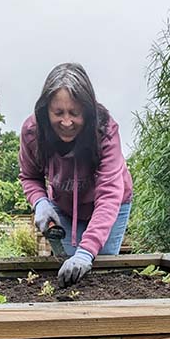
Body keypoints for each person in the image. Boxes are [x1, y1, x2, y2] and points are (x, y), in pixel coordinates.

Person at [19, 63, 133, 286]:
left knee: (101, 273)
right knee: (69, 275)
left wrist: (86, 252)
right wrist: (40, 202)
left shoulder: (105, 131)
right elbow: (30, 176)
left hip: (111, 205)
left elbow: (109, 195)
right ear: (45, 110)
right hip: (64, 207)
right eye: (58, 113)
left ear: (87, 111)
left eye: (75, 113)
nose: (67, 122)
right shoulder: (33, 132)